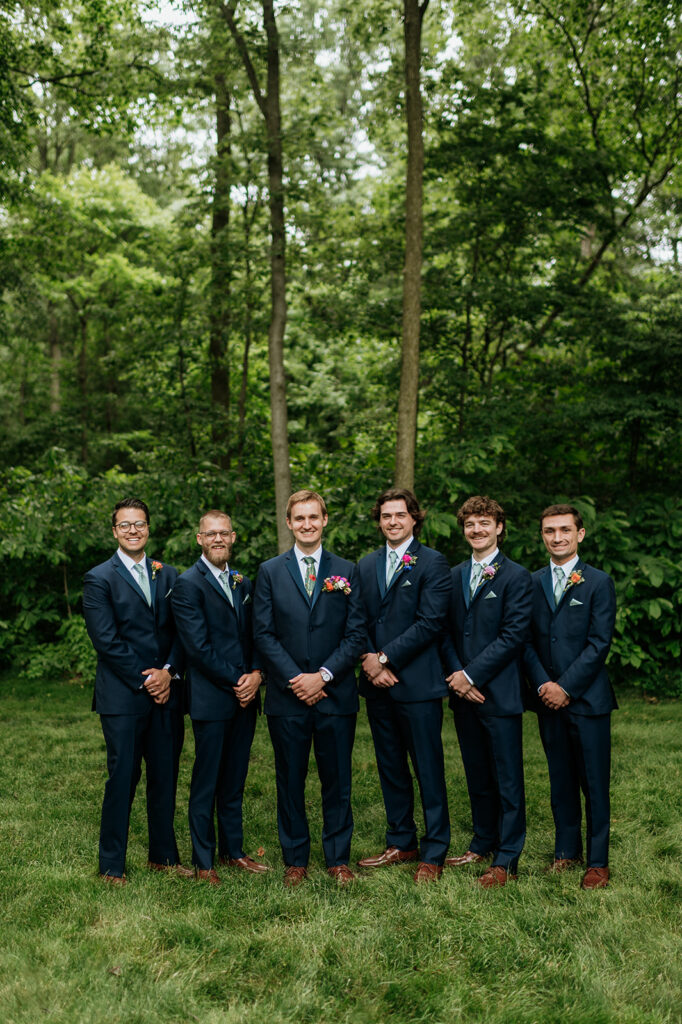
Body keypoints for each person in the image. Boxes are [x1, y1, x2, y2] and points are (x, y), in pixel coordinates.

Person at [253, 490, 366, 887]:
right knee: (290, 780)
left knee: (337, 780)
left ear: (325, 520)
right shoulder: (269, 571)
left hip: (335, 694)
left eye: (313, 517)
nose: (306, 524)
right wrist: (297, 680)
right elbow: (263, 634)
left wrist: (325, 675)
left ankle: (337, 857)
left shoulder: (347, 570)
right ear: (288, 523)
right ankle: (295, 858)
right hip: (288, 697)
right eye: (298, 518)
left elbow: (356, 635)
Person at [82, 498, 188, 884]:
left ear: (148, 528)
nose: (132, 531)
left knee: (165, 775)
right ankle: (112, 864)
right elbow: (106, 640)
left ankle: (163, 856)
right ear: (114, 531)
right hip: (124, 696)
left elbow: (182, 631)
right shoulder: (99, 578)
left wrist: (168, 672)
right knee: (123, 777)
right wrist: (148, 679)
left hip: (167, 693)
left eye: (139, 524)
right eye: (124, 525)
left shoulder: (170, 575)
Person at [356, 488, 451, 883]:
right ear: (379, 521)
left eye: (400, 515)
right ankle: (401, 840)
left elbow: (431, 622)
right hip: (377, 685)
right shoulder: (365, 565)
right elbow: (356, 618)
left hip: (419, 685)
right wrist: (368, 660)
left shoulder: (433, 562)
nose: (392, 521)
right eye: (385, 516)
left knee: (427, 768)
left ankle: (435, 849)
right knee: (390, 766)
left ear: (414, 518)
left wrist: (385, 658)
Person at [171, 510, 267, 886]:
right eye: (210, 534)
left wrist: (257, 674)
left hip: (246, 697)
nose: (217, 539)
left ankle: (234, 851)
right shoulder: (187, 584)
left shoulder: (241, 581)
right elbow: (197, 648)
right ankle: (204, 860)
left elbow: (256, 634)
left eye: (223, 533)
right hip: (212, 698)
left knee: (235, 778)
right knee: (207, 780)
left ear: (233, 537)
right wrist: (239, 680)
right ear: (199, 539)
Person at [524, 503, 617, 890]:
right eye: (549, 531)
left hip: (587, 699)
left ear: (580, 534)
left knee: (593, 782)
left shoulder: (598, 582)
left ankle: (597, 861)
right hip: (547, 697)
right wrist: (544, 684)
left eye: (564, 530)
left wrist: (566, 687)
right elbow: (524, 640)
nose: (557, 537)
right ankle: (566, 852)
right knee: (560, 778)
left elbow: (599, 643)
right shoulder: (530, 583)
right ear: (542, 536)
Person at [442, 495, 532, 888]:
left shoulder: (516, 577)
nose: (476, 530)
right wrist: (456, 676)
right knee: (477, 772)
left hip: (499, 692)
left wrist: (472, 676)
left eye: (484, 523)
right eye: (470, 525)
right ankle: (482, 841)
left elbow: (513, 636)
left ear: (499, 528)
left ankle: (507, 857)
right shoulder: (454, 574)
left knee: (507, 777)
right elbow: (444, 632)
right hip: (462, 693)